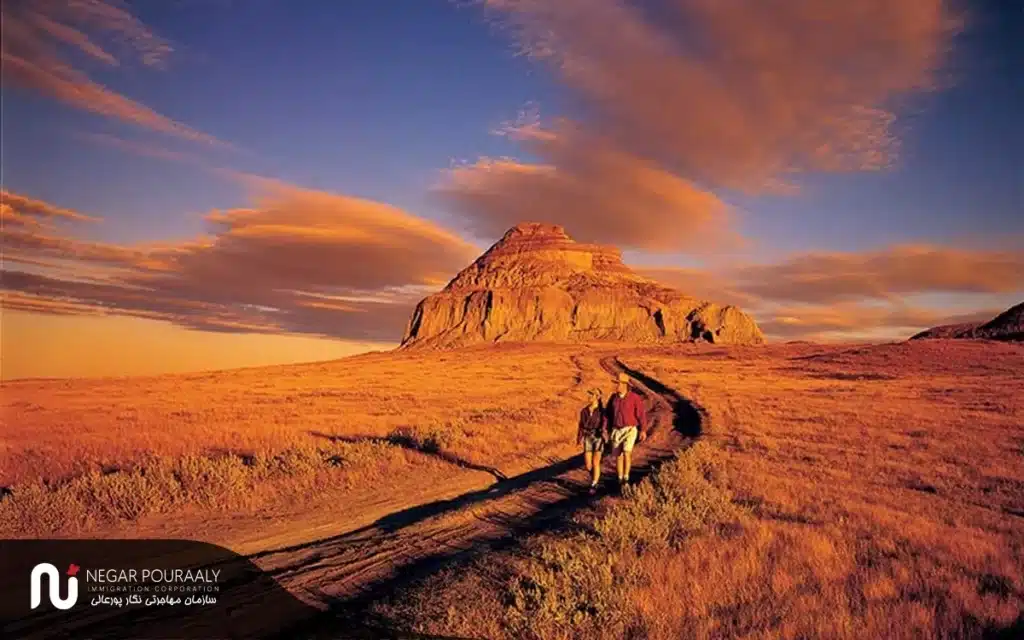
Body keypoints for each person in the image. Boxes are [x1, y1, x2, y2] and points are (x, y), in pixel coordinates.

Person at [605, 372, 648, 490]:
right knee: (618, 455)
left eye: (618, 383)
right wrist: (607, 430)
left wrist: (643, 430)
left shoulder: (634, 398)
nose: (616, 386)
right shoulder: (613, 398)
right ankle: (620, 479)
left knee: (627, 451)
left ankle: (626, 477)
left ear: (624, 385)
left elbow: (641, 415)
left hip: (630, 429)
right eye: (616, 383)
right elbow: (607, 415)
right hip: (616, 430)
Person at [576, 388, 607, 493]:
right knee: (588, 465)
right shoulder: (584, 411)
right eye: (589, 394)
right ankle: (595, 478)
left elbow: (605, 423)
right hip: (587, 437)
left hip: (598, 437)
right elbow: (581, 425)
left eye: (592, 395)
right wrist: (579, 438)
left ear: (597, 397)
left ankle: (594, 484)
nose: (589, 397)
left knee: (595, 462)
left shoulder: (602, 411)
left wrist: (602, 432)